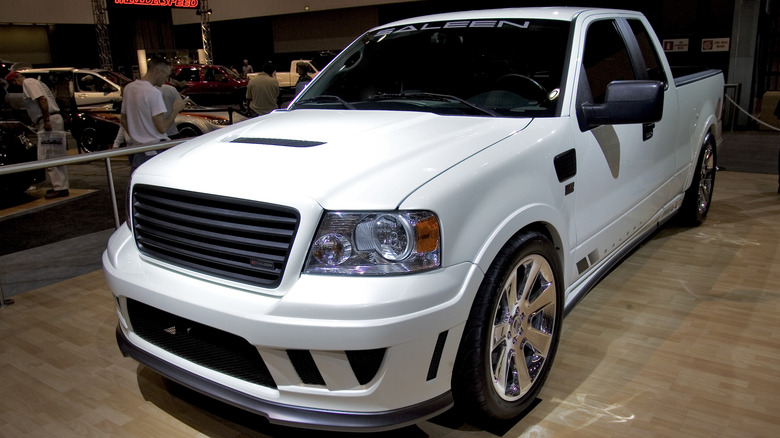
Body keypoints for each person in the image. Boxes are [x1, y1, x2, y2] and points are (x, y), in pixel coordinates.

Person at [5, 71, 69, 199]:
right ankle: (60, 186)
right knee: (56, 155)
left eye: (13, 83)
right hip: (52, 119)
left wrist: (45, 120)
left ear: (15, 79)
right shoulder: (36, 82)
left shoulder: (28, 83)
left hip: (49, 120)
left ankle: (59, 188)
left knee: (49, 155)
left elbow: (42, 99)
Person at [121, 57, 187, 169]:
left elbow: (123, 119)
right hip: (155, 149)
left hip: (138, 149)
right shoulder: (153, 92)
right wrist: (175, 110)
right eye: (166, 75)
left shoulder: (129, 88)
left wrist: (138, 137)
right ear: (157, 71)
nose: (166, 80)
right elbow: (162, 127)